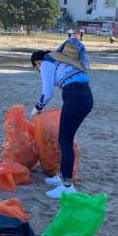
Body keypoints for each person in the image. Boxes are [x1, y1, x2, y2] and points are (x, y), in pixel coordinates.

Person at [30, 37, 93, 199]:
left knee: (65, 141)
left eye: (36, 68)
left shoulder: (46, 63)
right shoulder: (63, 62)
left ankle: (67, 186)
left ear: (37, 63)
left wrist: (36, 108)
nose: (38, 71)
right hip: (85, 98)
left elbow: (47, 94)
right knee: (65, 139)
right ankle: (62, 176)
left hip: (74, 98)